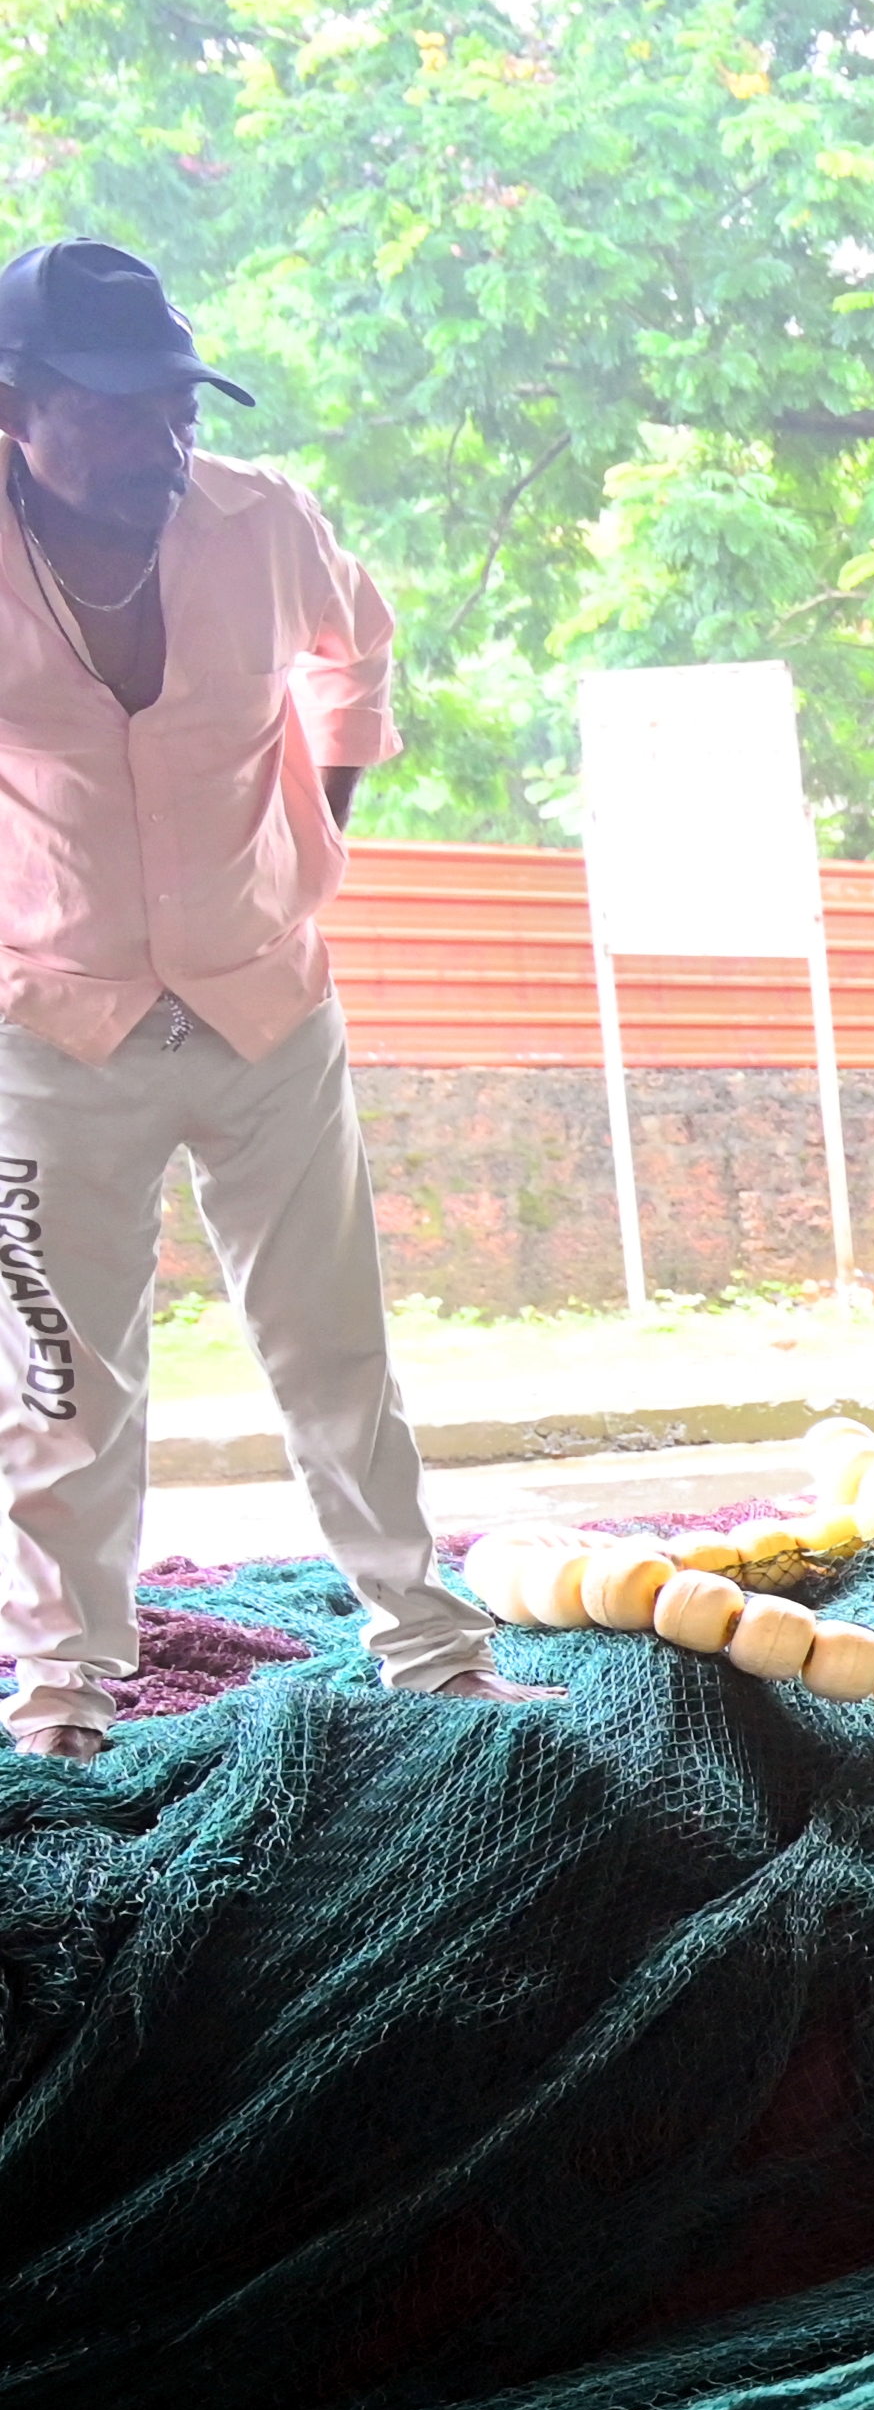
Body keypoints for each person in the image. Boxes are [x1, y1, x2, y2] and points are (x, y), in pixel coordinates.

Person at [0, 239, 531, 1761]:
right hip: (50, 1026)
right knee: (56, 1389)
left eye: (177, 403)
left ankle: (434, 1656)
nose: (162, 444)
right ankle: (60, 1706)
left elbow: (353, 655)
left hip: (265, 1004)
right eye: (114, 411)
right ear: (14, 406)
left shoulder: (262, 521)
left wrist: (326, 827)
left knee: (333, 1349)